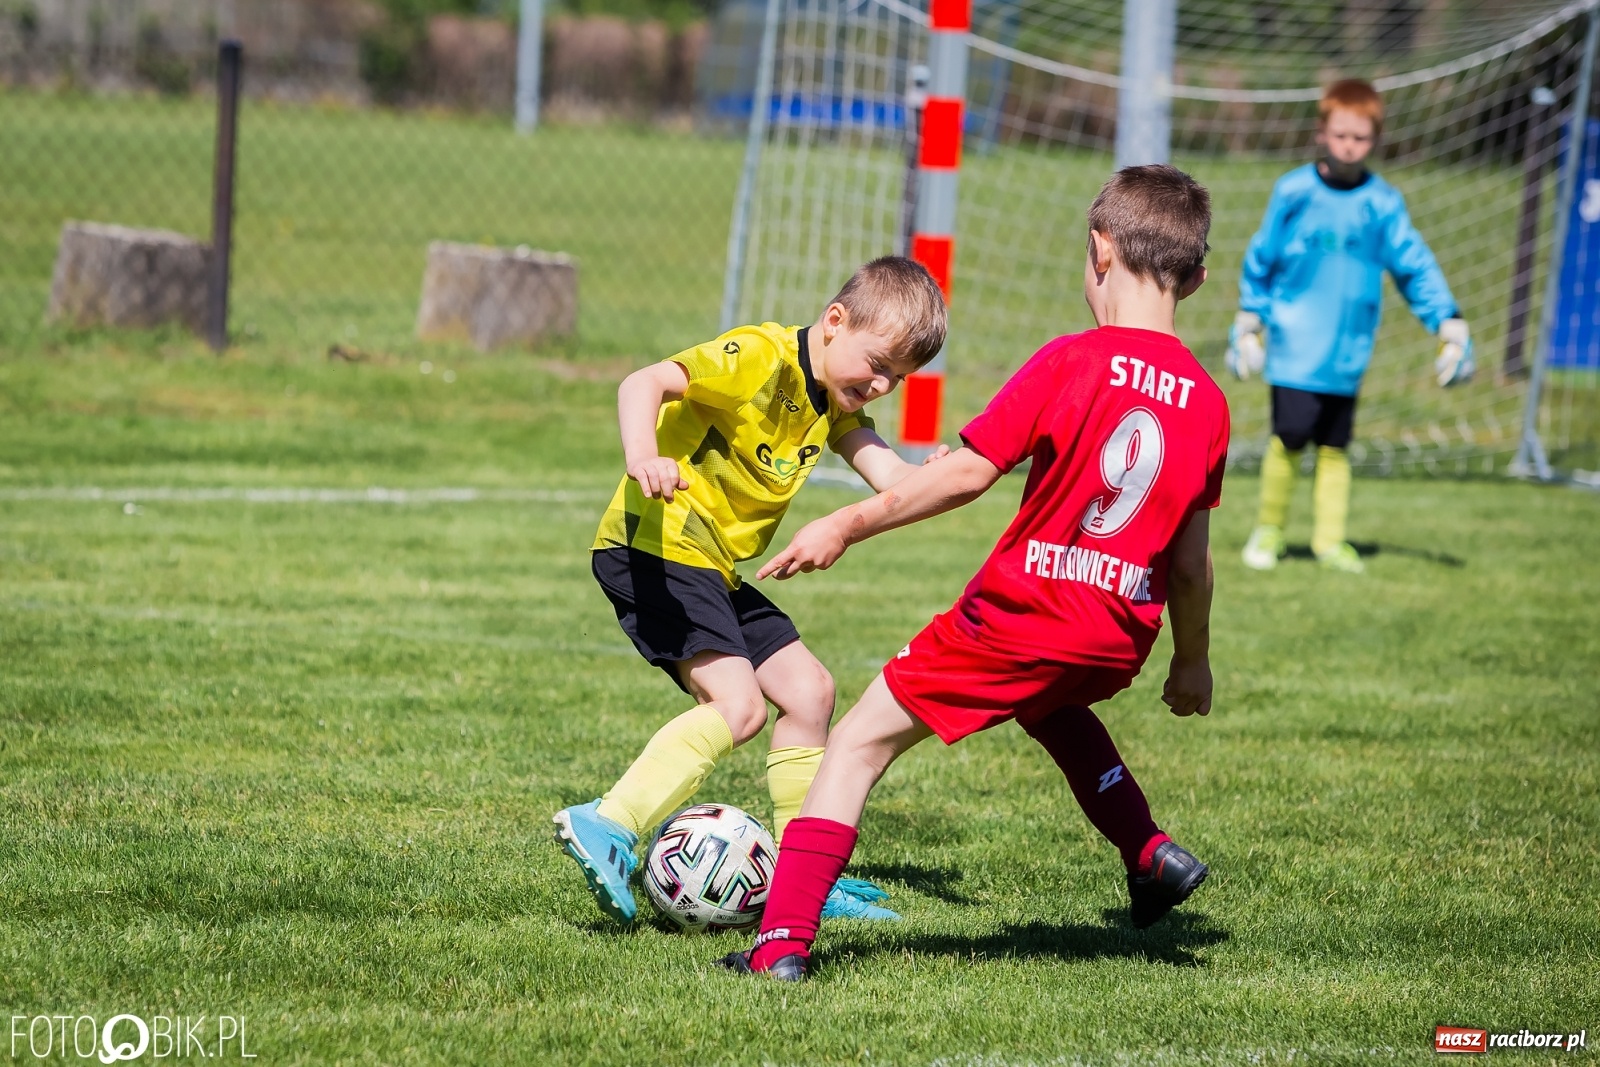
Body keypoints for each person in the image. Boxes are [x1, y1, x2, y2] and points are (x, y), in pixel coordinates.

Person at [719, 165, 1230, 981]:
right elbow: (1194, 566)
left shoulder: (1072, 361)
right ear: (1196, 280)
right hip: (1116, 634)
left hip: (1023, 614)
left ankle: (778, 948)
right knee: (1053, 704)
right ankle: (1150, 852)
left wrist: (847, 522)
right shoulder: (1207, 401)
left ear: (1098, 252)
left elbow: (964, 474)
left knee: (853, 744)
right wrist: (1192, 660)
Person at [554, 256, 950, 926]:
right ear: (834, 322)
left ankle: (803, 875)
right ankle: (609, 821)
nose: (881, 384)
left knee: (810, 691)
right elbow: (642, 381)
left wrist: (924, 474)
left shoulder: (833, 401)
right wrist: (640, 455)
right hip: (655, 543)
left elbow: (883, 468)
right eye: (877, 362)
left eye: (897, 377)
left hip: (712, 565)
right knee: (739, 708)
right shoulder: (760, 357)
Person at [1228, 78, 1473, 575]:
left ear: (1375, 139)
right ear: (1321, 132)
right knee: (1291, 436)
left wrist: (1447, 320)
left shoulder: (1381, 204)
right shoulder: (1293, 191)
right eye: (1340, 134)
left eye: (1359, 138)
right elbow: (1263, 256)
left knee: (1336, 445)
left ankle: (1328, 542)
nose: (1348, 145)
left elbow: (1413, 263)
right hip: (1295, 347)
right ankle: (1269, 531)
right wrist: (1249, 319)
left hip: (1348, 352)